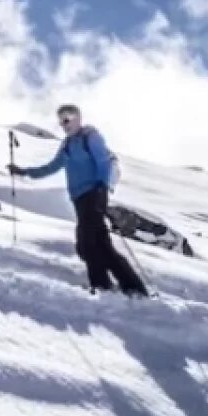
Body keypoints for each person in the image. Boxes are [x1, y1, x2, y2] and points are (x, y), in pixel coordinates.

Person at [9, 105, 149, 297]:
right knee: (100, 245)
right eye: (61, 121)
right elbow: (51, 167)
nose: (64, 125)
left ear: (77, 119)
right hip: (80, 200)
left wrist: (101, 189)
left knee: (87, 243)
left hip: (93, 195)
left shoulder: (90, 137)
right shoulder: (67, 145)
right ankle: (132, 288)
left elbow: (104, 162)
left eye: (67, 119)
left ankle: (103, 286)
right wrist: (24, 172)